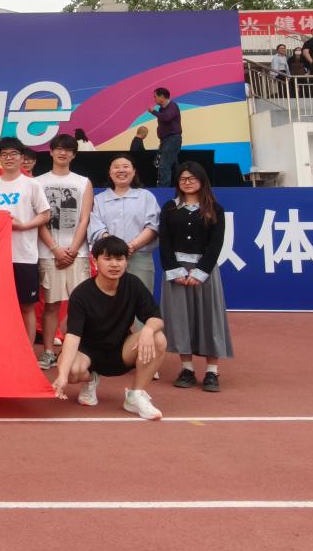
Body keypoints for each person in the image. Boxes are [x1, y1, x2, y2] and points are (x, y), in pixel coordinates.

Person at [51, 236, 166, 420]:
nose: (114, 264)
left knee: (158, 338)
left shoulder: (133, 284)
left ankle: (135, 396)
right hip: (87, 353)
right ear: (95, 261)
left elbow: (156, 318)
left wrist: (148, 329)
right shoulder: (81, 294)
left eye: (119, 259)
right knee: (71, 371)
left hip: (120, 351)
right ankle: (91, 380)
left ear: (126, 262)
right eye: (108, 258)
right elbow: (72, 336)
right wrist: (62, 376)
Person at [159, 161, 233, 392]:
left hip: (205, 272)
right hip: (177, 272)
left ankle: (212, 371)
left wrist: (201, 272)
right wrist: (175, 271)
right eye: (183, 178)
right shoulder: (170, 208)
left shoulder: (214, 209)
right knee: (180, 318)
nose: (187, 182)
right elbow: (165, 242)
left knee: (210, 317)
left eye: (192, 178)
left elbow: (216, 244)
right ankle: (187, 369)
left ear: (202, 181)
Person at [0, 137, 51, 343]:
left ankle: (27, 351)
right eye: (4, 154)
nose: (9, 158)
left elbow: (45, 214)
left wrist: (24, 226)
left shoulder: (32, 185)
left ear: (22, 158)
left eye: (13, 154)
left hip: (25, 255)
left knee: (27, 306)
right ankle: (2, 347)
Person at [35, 133, 93, 369]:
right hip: (48, 253)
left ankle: (77, 351)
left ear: (73, 155)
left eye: (68, 149)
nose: (62, 152)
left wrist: (73, 250)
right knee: (51, 304)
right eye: (58, 148)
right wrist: (55, 249)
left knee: (81, 305)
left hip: (78, 254)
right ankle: (49, 352)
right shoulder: (38, 182)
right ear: (50, 152)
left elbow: (85, 218)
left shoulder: (83, 182)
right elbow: (39, 219)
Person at [89, 155, 160, 295]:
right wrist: (116, 248)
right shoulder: (99, 199)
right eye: (116, 167)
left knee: (141, 299)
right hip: (109, 258)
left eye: (126, 167)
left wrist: (131, 246)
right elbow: (96, 227)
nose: (121, 170)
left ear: (134, 172)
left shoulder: (146, 196)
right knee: (110, 300)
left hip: (139, 257)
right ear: (110, 173)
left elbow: (153, 226)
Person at [148, 87, 182, 187]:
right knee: (173, 166)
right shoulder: (162, 109)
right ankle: (178, 187)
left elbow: (167, 118)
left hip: (171, 139)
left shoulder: (172, 106)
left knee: (164, 165)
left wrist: (153, 112)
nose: (154, 99)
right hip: (167, 140)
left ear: (162, 96)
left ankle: (163, 189)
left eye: (155, 97)